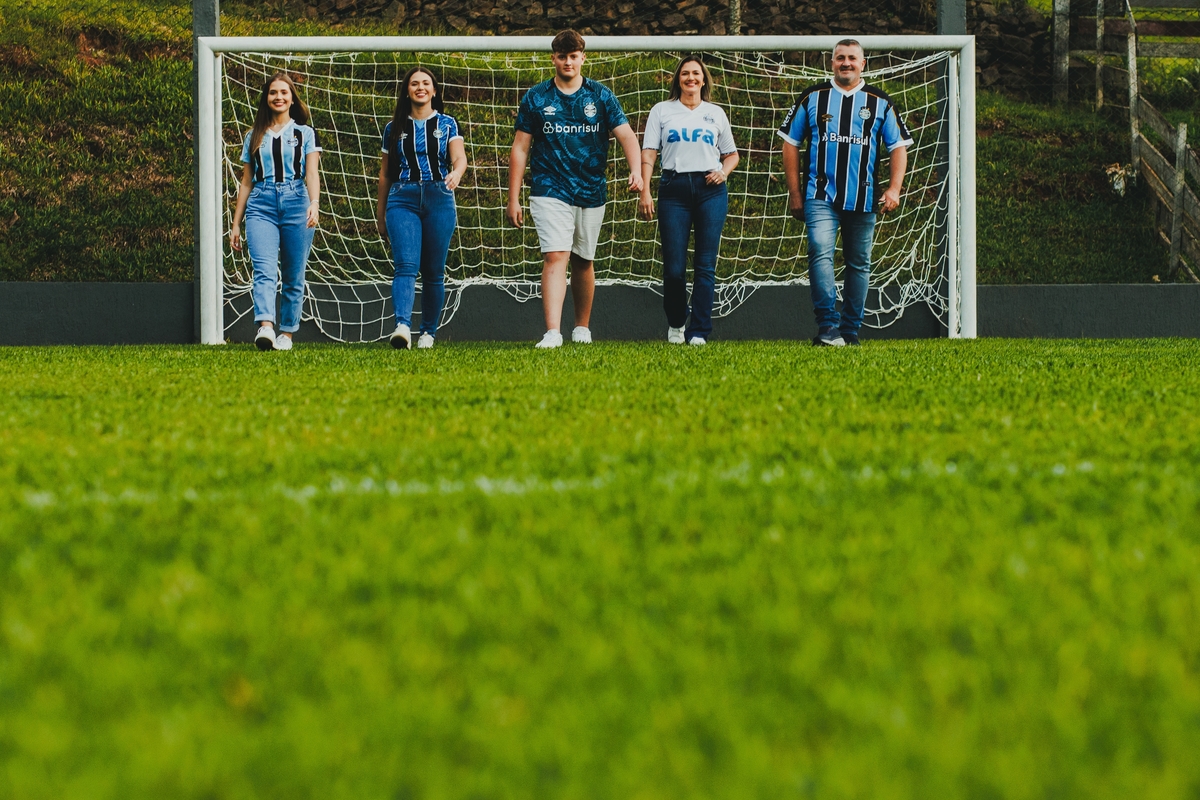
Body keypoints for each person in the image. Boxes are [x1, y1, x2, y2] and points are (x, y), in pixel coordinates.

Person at [507, 29, 644, 348]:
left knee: (583, 259)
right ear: (553, 59)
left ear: (583, 58)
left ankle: (582, 327)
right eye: (562, 56)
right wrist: (513, 198)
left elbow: (626, 135)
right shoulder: (536, 97)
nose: (568, 62)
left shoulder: (601, 95)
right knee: (556, 255)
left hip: (591, 189)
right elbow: (520, 148)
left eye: (573, 56)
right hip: (549, 187)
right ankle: (553, 332)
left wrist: (636, 171)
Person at [778, 39, 912, 347]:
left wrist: (894, 188)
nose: (846, 63)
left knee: (859, 262)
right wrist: (795, 193)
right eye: (840, 58)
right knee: (819, 250)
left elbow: (898, 147)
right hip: (819, 195)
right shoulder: (813, 97)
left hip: (863, 198)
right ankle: (828, 325)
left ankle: (850, 330)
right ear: (832, 62)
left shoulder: (880, 101)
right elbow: (790, 143)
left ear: (863, 64)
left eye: (852, 58)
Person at [638, 54, 739, 346]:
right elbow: (649, 152)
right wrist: (645, 189)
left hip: (710, 191)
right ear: (678, 79)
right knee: (674, 268)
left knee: (705, 264)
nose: (690, 78)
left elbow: (732, 154)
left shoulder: (715, 113)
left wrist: (723, 172)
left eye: (696, 73)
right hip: (674, 189)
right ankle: (676, 322)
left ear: (704, 79)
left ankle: (699, 331)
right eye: (685, 73)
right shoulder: (662, 110)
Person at [376, 66, 467, 350]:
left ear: (434, 90)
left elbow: (460, 158)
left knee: (433, 270)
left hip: (439, 197)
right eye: (414, 83)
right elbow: (385, 174)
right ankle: (402, 326)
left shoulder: (448, 123)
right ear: (407, 91)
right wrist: (380, 215)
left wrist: (457, 173)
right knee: (405, 265)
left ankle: (428, 332)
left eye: (426, 83)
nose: (420, 88)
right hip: (402, 198)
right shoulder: (393, 128)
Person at [230, 72, 322, 351]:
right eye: (273, 92)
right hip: (261, 204)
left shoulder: (305, 133)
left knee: (294, 274)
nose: (278, 97)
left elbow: (312, 173)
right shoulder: (253, 135)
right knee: (264, 269)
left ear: (292, 98)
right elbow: (247, 180)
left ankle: (287, 334)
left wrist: (314, 203)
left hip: (297, 202)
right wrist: (236, 223)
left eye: (284, 92)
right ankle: (266, 327)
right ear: (266, 98)